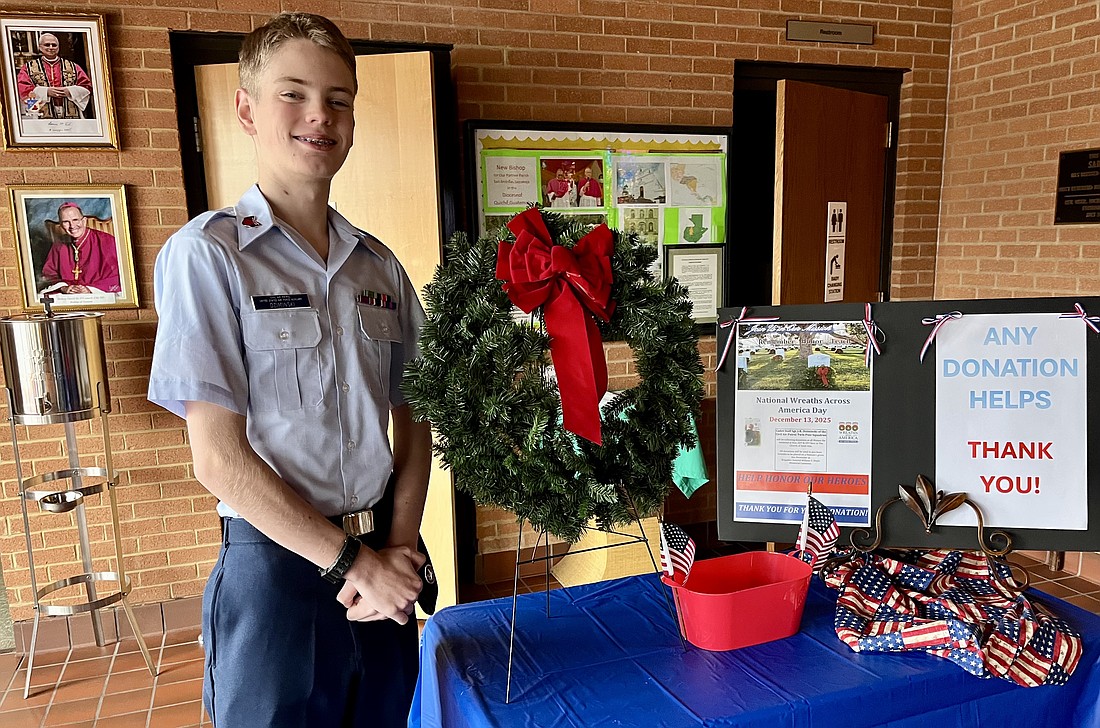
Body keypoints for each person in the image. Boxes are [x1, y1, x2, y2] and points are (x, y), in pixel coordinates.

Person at [147, 13, 431, 728]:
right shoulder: (209, 256)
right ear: (245, 107)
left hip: (380, 565)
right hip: (275, 571)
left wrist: (395, 548)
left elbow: (418, 415)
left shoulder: (380, 266)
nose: (319, 116)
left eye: (339, 98)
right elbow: (217, 457)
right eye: (293, 94)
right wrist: (353, 564)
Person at [41, 202, 120, 294]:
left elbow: (119, 275)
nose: (72, 226)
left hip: (97, 294)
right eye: (66, 222)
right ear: (61, 224)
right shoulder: (58, 245)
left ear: (84, 220)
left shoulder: (107, 241)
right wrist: (63, 287)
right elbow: (48, 274)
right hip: (68, 296)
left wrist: (91, 289)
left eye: (75, 220)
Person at [16, 32, 92, 119]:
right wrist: (46, 92)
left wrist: (70, 91)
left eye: (54, 45)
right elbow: (22, 89)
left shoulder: (73, 66)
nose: (51, 48)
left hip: (71, 112)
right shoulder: (28, 67)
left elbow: (87, 87)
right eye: (47, 45)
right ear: (40, 47)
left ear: (58, 47)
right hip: (41, 112)